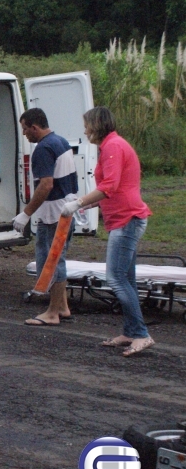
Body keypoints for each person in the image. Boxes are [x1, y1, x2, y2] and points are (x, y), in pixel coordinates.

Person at [61, 106, 153, 356]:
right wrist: (84, 203)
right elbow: (112, 187)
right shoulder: (112, 145)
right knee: (127, 279)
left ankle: (142, 334)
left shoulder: (113, 147)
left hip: (127, 219)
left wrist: (79, 203)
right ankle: (131, 331)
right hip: (125, 218)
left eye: (87, 125)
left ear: (97, 125)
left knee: (116, 278)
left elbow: (110, 186)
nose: (85, 130)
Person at [13, 108, 78, 326]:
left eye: (25, 129)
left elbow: (47, 184)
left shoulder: (43, 148)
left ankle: (52, 313)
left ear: (34, 127)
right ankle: (62, 306)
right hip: (67, 209)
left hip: (53, 214)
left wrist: (26, 213)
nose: (24, 134)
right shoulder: (62, 142)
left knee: (53, 260)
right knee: (58, 256)